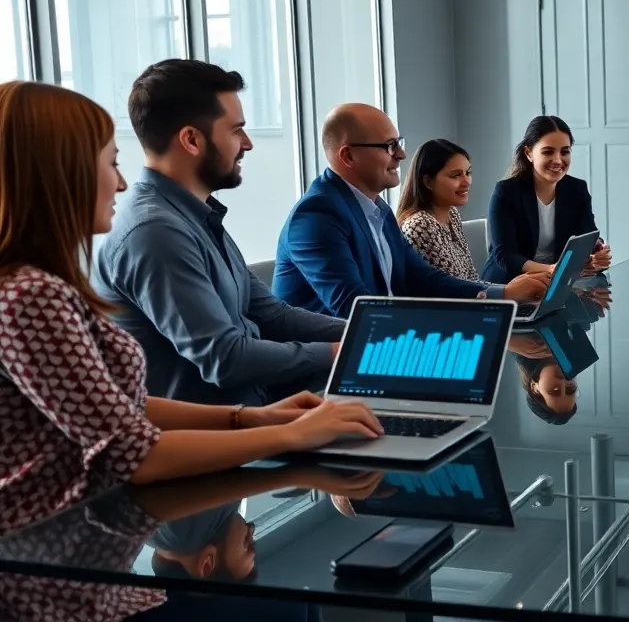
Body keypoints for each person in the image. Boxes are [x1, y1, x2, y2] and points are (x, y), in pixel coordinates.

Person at [0, 80, 384, 538]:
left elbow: (120, 408)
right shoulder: (39, 291)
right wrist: (292, 433)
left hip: (102, 525)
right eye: (110, 163)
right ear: (60, 174)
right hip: (58, 558)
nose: (121, 181)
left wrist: (253, 418)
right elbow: (133, 451)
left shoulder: (38, 284)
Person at [93, 60, 348, 406]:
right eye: (236, 130)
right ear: (192, 140)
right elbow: (224, 359)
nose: (247, 143)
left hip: (257, 418)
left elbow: (271, 315)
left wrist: (362, 334)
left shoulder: (195, 215)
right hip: (216, 448)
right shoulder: (156, 232)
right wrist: (339, 351)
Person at [271, 104, 546, 318]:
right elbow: (356, 309)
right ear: (348, 156)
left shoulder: (378, 210)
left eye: (398, 142)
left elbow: (424, 278)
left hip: (382, 341)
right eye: (389, 146)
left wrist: (503, 293)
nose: (402, 155)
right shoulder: (316, 216)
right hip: (329, 371)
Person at [481, 115, 611, 283]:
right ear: (528, 153)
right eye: (548, 152)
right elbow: (505, 256)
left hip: (557, 284)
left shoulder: (577, 189)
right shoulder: (506, 192)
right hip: (511, 285)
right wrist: (551, 269)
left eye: (565, 152)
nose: (558, 160)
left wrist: (597, 251)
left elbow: (587, 234)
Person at [397, 139, 481, 280]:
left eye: (468, 172)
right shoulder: (420, 225)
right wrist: (506, 292)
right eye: (456, 175)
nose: (467, 181)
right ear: (428, 182)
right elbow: (454, 292)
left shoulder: (452, 214)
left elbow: (471, 279)